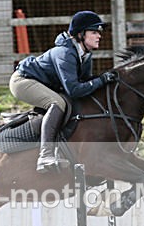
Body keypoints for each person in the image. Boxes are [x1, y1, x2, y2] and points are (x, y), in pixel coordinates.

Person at [10, 10, 118, 173]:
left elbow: (85, 83)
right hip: (23, 81)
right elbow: (74, 89)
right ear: (81, 34)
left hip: (41, 83)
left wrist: (102, 82)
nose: (99, 36)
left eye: (99, 33)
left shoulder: (85, 55)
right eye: (94, 32)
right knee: (57, 103)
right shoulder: (65, 53)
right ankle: (45, 156)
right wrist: (101, 80)